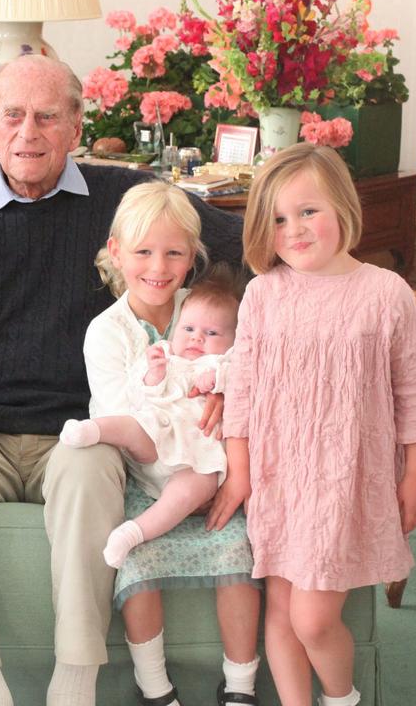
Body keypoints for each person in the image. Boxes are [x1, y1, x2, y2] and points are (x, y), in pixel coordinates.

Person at [0, 54, 244, 706]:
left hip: (77, 433)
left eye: (47, 117)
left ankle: (74, 678)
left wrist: (246, 348)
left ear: (76, 124)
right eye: (14, 116)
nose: (29, 132)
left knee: (88, 469)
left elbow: (241, 246)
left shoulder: (122, 200)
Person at [215, 143, 416, 706]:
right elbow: (239, 392)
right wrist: (240, 473)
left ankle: (341, 699)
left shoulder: (386, 293)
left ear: (342, 205)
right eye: (279, 219)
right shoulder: (264, 294)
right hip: (279, 477)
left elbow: (414, 391)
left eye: (308, 211)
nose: (294, 230)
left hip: (344, 481)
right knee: (284, 613)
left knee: (314, 619)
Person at [82, 182, 262, 706]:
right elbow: (120, 413)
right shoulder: (107, 331)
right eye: (143, 252)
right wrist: (166, 384)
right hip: (149, 479)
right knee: (136, 566)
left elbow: (246, 366)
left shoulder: (207, 309)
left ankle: (241, 687)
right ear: (116, 253)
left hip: (210, 467)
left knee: (238, 552)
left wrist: (226, 396)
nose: (158, 267)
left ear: (192, 259)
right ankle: (155, 687)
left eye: (174, 253)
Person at [63, 263, 243, 569]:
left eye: (211, 333)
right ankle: (89, 431)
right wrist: (155, 373)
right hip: (156, 436)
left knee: (194, 488)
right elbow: (141, 394)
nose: (197, 339)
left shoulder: (226, 362)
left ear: (232, 340)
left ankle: (133, 533)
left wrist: (219, 385)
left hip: (197, 458)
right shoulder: (166, 354)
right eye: (188, 329)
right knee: (133, 426)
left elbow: (245, 382)